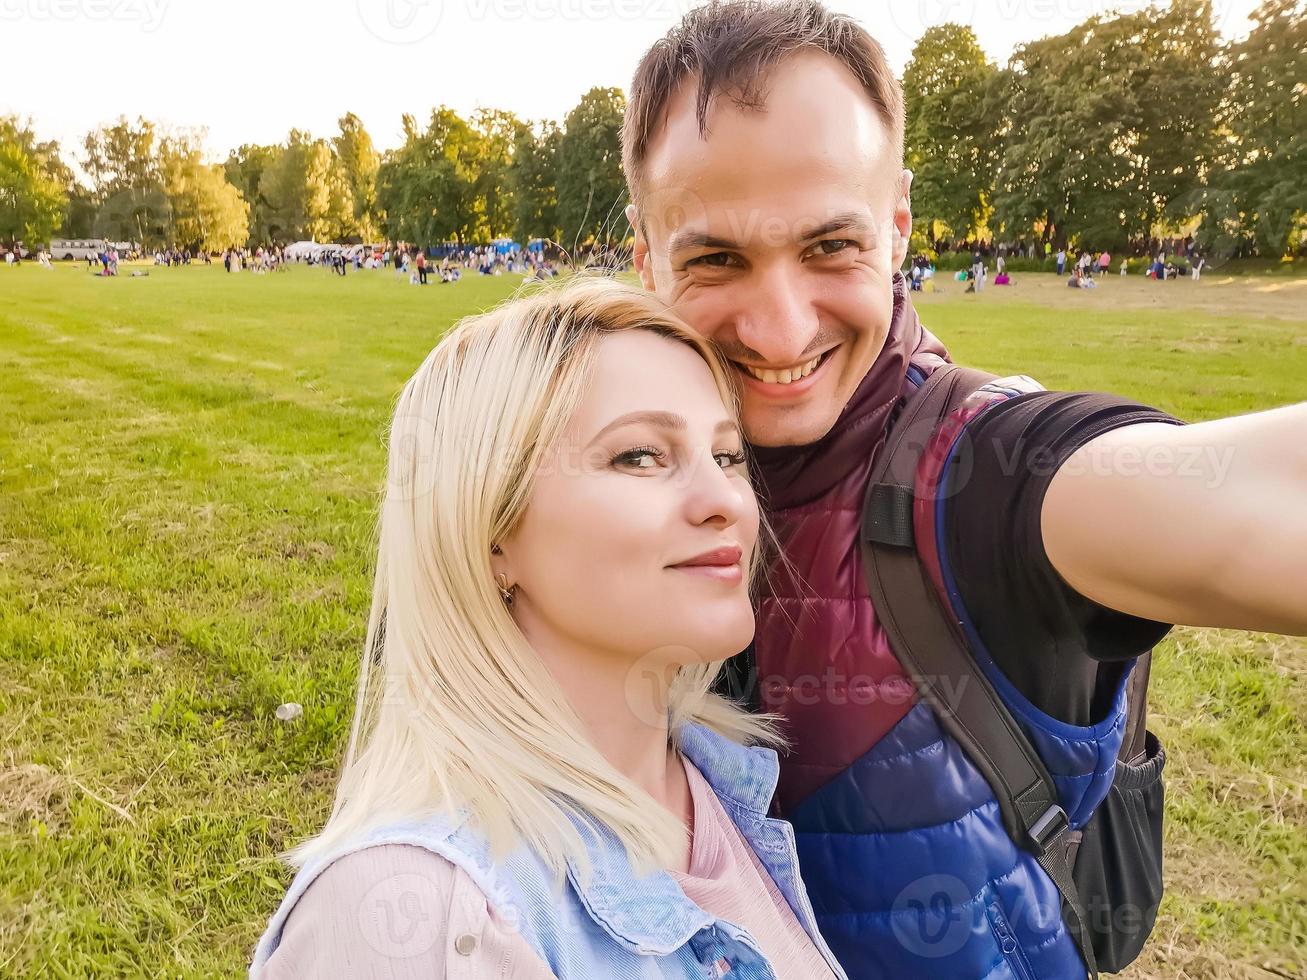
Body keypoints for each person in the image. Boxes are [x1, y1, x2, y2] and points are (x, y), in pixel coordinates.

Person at [622, 3, 1306, 978]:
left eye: (830, 247)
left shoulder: (994, 484)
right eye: (715, 258)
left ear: (896, 227)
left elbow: (1244, 499)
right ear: (644, 256)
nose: (778, 332)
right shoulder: (581, 488)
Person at [250, 278, 846, 980]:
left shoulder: (720, 785)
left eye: (725, 456)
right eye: (639, 456)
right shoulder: (415, 918)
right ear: (492, 531)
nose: (724, 502)